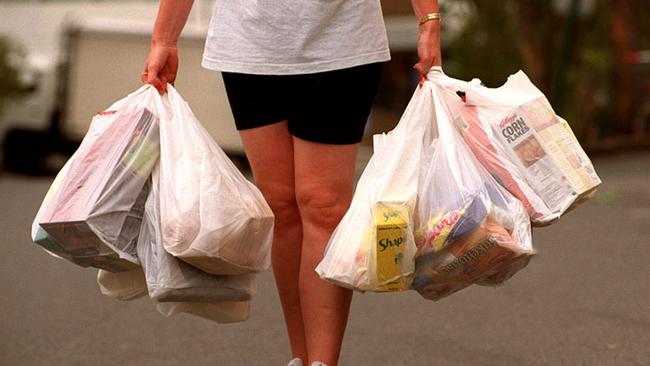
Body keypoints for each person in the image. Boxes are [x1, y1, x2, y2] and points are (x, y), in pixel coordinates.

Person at [142, 1, 441, 365]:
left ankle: (323, 362)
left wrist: (428, 22)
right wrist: (164, 38)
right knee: (281, 207)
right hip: (249, 45)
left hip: (341, 41)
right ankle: (301, 358)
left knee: (323, 205)